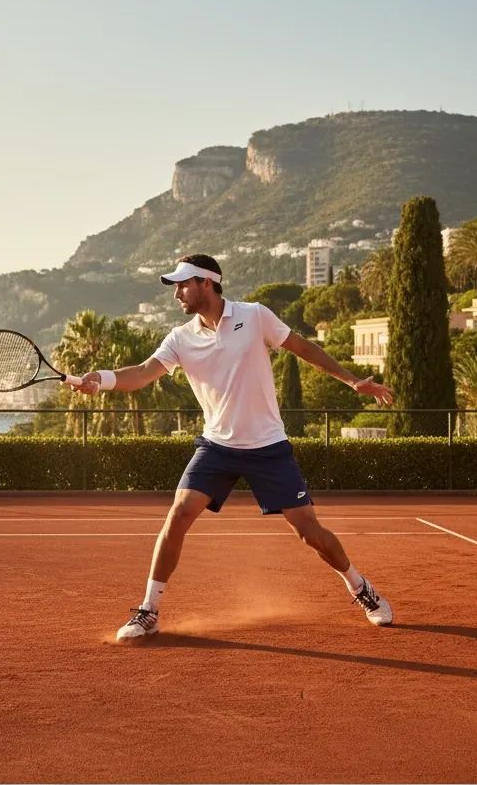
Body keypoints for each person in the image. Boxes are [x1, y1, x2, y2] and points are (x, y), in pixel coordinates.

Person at [66, 253, 396, 642]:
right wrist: (100, 379)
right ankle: (149, 610)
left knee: (308, 532)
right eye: (176, 286)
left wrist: (352, 380)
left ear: (207, 282)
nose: (177, 294)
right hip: (217, 446)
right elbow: (141, 373)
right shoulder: (180, 338)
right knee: (178, 514)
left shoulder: (255, 316)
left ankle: (359, 587)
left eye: (184, 284)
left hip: (268, 445)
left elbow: (303, 348)